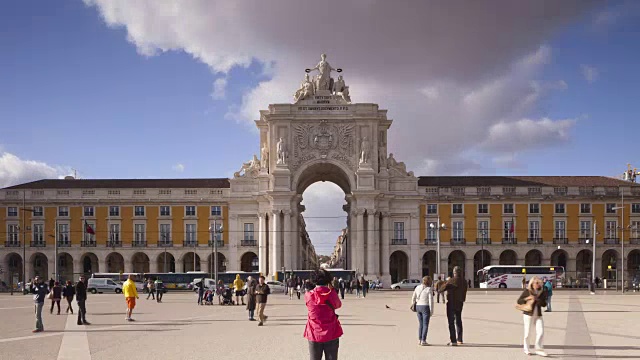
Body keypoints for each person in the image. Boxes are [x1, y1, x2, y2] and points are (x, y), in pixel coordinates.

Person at [304, 269, 343, 360]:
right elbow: (338, 305)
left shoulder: (308, 295)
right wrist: (332, 290)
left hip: (314, 332)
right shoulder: (331, 294)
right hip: (331, 332)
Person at [517, 276, 549, 357]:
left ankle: (538, 349)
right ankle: (526, 349)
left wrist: (537, 299)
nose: (539, 284)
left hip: (538, 315)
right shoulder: (527, 291)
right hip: (528, 314)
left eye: (540, 283)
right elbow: (519, 301)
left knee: (541, 332)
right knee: (527, 333)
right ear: (532, 284)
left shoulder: (542, 292)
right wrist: (528, 298)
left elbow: (544, 304)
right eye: (537, 283)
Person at [439, 266, 468, 346]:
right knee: (458, 320)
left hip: (451, 303)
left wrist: (446, 281)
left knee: (451, 322)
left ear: (454, 272)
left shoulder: (451, 280)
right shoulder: (464, 281)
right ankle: (460, 339)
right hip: (460, 302)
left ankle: (453, 340)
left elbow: (440, 289)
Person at [412, 276, 434, 346]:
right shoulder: (429, 289)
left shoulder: (417, 287)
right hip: (425, 307)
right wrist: (431, 311)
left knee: (421, 324)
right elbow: (431, 301)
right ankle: (423, 340)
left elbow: (413, 297)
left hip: (418, 306)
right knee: (425, 324)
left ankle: (419, 339)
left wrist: (413, 304)